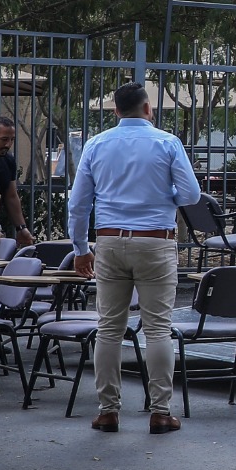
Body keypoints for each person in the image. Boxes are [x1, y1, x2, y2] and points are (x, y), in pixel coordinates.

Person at [68, 82, 203, 435]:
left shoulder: (96, 145)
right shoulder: (167, 143)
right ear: (148, 108)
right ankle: (160, 412)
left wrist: (81, 249)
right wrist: (164, 195)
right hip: (155, 242)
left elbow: (78, 204)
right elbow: (191, 194)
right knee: (157, 328)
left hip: (109, 241)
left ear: (115, 111)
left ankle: (107, 411)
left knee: (108, 328)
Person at [0, 117, 36, 248]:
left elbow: (11, 196)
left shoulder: (8, 161)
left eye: (12, 140)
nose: (8, 144)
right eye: (4, 139)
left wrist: (21, 228)